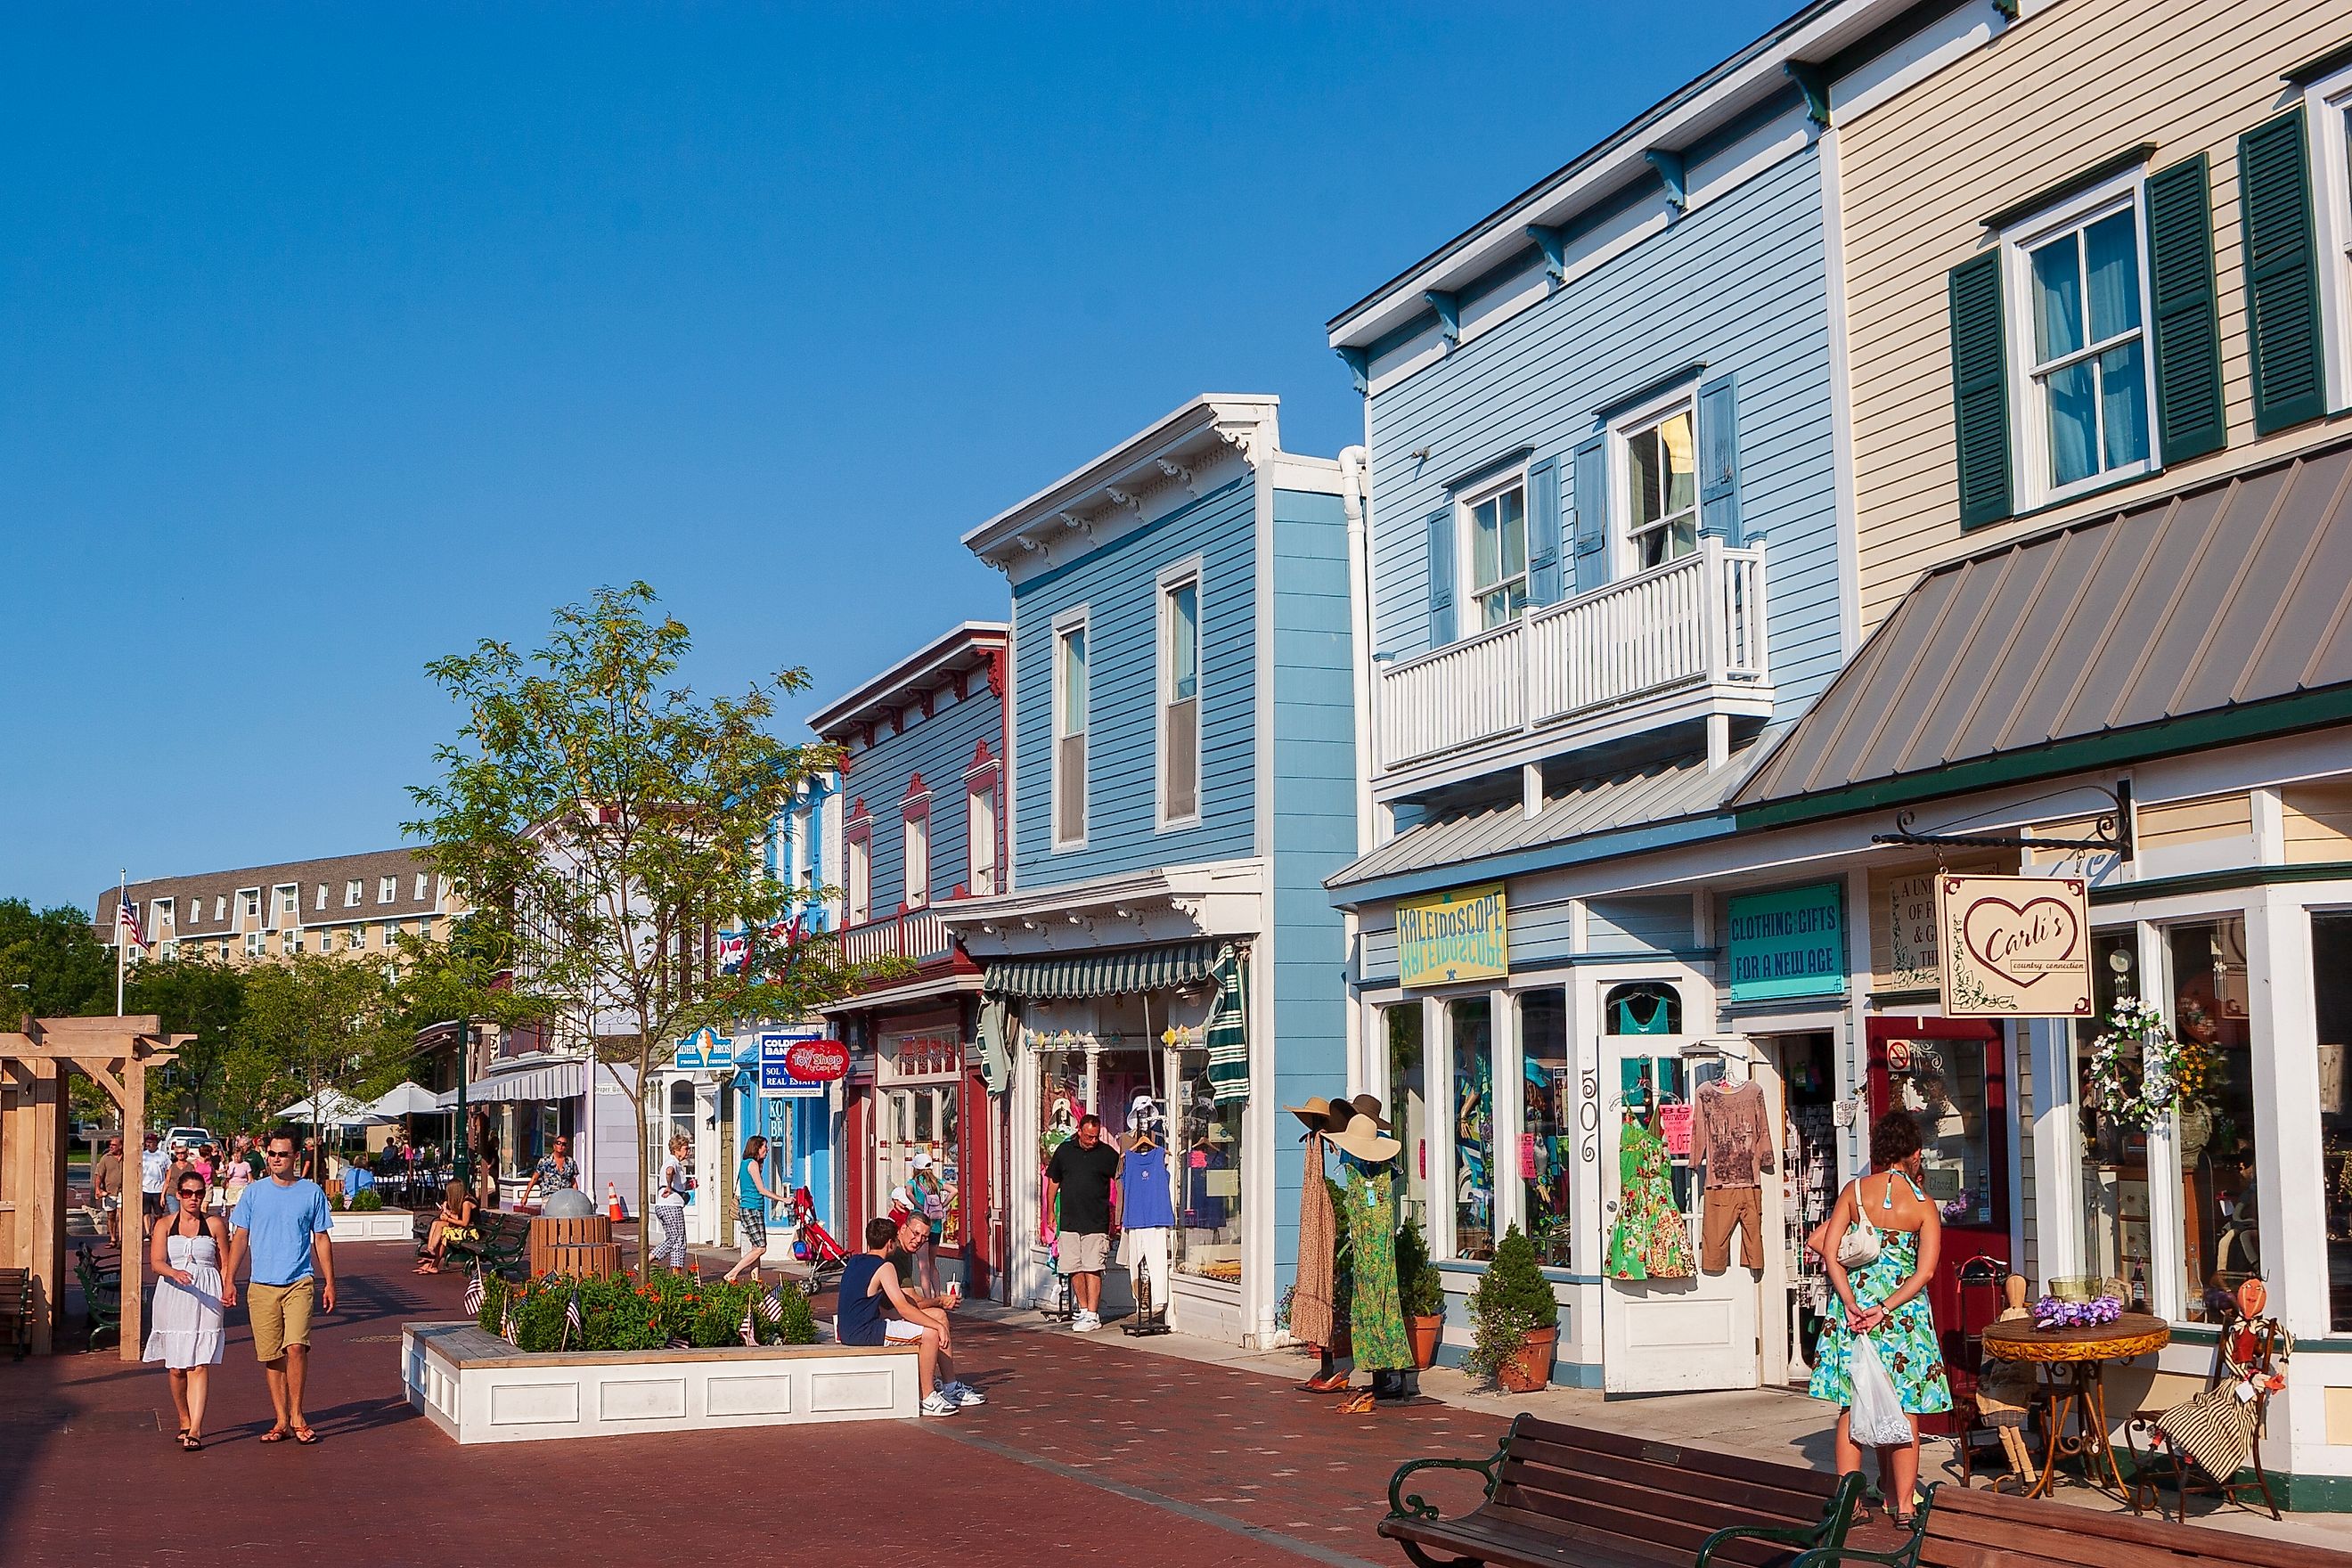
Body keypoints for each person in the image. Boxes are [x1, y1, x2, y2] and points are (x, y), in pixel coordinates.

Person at [1809, 1113, 1950, 1526]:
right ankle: (1904, 1506)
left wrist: (1852, 1301)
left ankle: (1850, 1505)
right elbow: (1925, 1272)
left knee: (1851, 1407)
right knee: (1906, 1408)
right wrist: (1885, 1307)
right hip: (1902, 1314)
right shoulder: (1924, 1205)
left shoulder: (1855, 1191)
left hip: (1852, 1313)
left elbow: (1829, 1251)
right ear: (1915, 1153)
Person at [225, 1127, 337, 1445]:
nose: (275, 1159)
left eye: (282, 1154)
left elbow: (321, 1238)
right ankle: (280, 1420)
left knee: (297, 1347)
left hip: (299, 1281)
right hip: (261, 1284)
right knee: (272, 1355)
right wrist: (229, 1278)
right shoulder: (254, 1193)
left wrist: (330, 1282)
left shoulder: (311, 1192)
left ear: (295, 1156)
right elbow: (240, 1237)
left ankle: (298, 1415)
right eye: (271, 1153)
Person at [834, 1215, 969, 1417]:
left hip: (848, 1329)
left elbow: (868, 1304)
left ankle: (936, 1388)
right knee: (930, 1334)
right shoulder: (885, 1267)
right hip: (865, 1332)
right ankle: (928, 1396)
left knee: (928, 1327)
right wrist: (938, 1326)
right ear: (890, 1243)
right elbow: (904, 1306)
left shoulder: (854, 1262)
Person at [145, 1169, 231, 1450]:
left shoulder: (215, 1224)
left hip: (207, 1293)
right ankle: (184, 1417)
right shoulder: (164, 1225)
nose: (193, 1198)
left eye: (198, 1193)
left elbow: (225, 1262)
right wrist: (173, 1272)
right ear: (178, 1195)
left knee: (199, 1362)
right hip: (174, 1293)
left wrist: (228, 1286)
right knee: (176, 1367)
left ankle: (196, 1428)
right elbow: (156, 1261)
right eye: (187, 1193)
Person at [1042, 1113, 1119, 1331]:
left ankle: (1094, 1315)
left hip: (1096, 1220)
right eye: (1088, 1137)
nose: (1092, 1141)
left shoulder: (1107, 1154)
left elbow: (1120, 1182)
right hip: (1069, 1220)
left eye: (1095, 1137)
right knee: (1073, 1267)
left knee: (1093, 1267)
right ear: (1079, 1132)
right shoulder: (1065, 1152)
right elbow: (1053, 1183)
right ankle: (1084, 1309)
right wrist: (1050, 1214)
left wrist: (1118, 1215)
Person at [723, 1135, 785, 1285]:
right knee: (761, 1248)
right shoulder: (752, 1164)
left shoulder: (746, 1163)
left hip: (753, 1209)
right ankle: (732, 1274)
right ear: (757, 1148)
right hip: (751, 1209)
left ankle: (756, 1282)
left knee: (755, 1248)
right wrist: (784, 1199)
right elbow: (761, 1190)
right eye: (765, 1146)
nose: (767, 1149)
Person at [889, 1153, 950, 1296]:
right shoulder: (937, 1182)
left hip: (920, 1224)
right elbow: (954, 1191)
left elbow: (908, 1193)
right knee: (932, 1264)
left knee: (923, 1265)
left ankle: (928, 1298)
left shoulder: (913, 1182)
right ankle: (938, 1294)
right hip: (936, 1227)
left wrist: (918, 1206)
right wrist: (943, 1205)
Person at [415, 1179, 479, 1274]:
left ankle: (432, 1261)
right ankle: (430, 1253)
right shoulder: (463, 1201)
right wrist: (447, 1212)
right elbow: (458, 1217)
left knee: (442, 1228)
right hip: (465, 1230)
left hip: (472, 1232)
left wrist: (447, 1219)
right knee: (437, 1223)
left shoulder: (467, 1202)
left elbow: (464, 1223)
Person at [654, 1133, 694, 1274]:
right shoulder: (672, 1163)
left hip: (663, 1205)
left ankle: (674, 1272)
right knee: (678, 1240)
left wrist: (688, 1185)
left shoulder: (674, 1163)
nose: (687, 1152)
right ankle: (648, 1262)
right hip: (672, 1205)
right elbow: (669, 1171)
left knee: (674, 1239)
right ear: (676, 1150)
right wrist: (669, 1186)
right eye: (685, 1149)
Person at [519, 1134, 577, 1210]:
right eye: (558, 1143)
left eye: (564, 1144)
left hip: (565, 1198)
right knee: (551, 1220)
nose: (561, 1146)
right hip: (549, 1197)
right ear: (554, 1146)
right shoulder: (545, 1161)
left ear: (566, 1147)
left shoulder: (570, 1162)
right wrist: (525, 1196)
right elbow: (534, 1179)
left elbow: (573, 1182)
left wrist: (576, 1197)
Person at [92, 1137, 125, 1245]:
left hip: (123, 1192)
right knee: (111, 1215)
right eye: (110, 1144)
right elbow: (99, 1175)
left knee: (121, 1214)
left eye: (114, 1145)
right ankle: (112, 1237)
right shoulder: (106, 1158)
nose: (111, 1146)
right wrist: (98, 1189)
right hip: (110, 1191)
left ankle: (120, 1238)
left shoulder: (127, 1157)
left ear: (120, 1146)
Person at [139, 1133, 169, 1224]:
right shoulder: (142, 1155)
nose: (148, 1144)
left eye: (150, 1142)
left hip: (158, 1190)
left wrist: (166, 1185)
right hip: (145, 1189)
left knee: (158, 1214)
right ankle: (148, 1232)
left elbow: (169, 1170)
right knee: (146, 1212)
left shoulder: (162, 1156)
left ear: (156, 1143)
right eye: (147, 1142)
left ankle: (156, 1230)